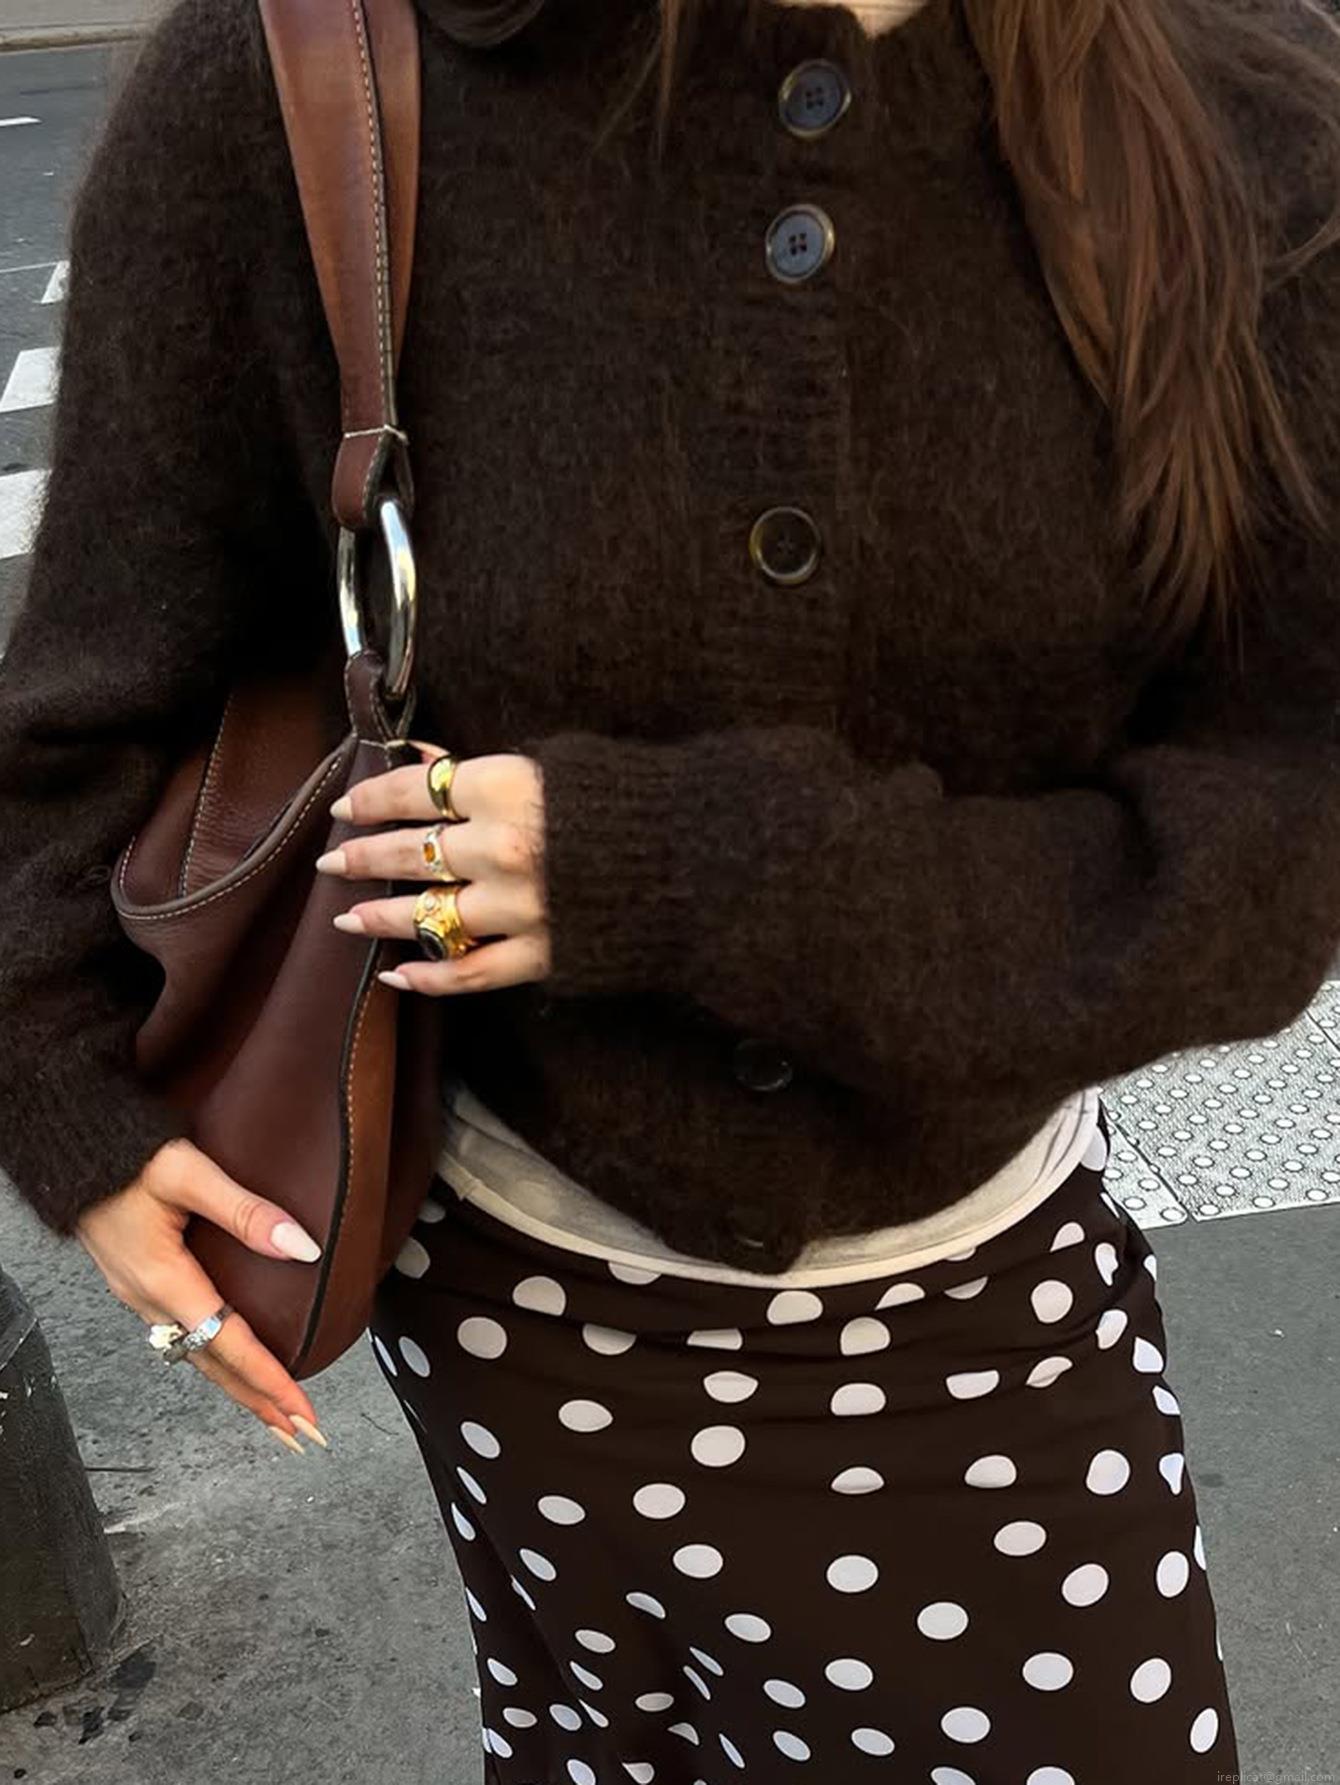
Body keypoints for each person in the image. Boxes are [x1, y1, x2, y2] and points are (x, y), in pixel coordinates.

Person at [2, 0, 1339, 1776]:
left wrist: (706, 872)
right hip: (493, 1292)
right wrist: (64, 1095)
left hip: (967, 1306)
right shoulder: (311, 77)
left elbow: (1277, 834)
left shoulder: (1244, 107)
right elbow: (89, 703)